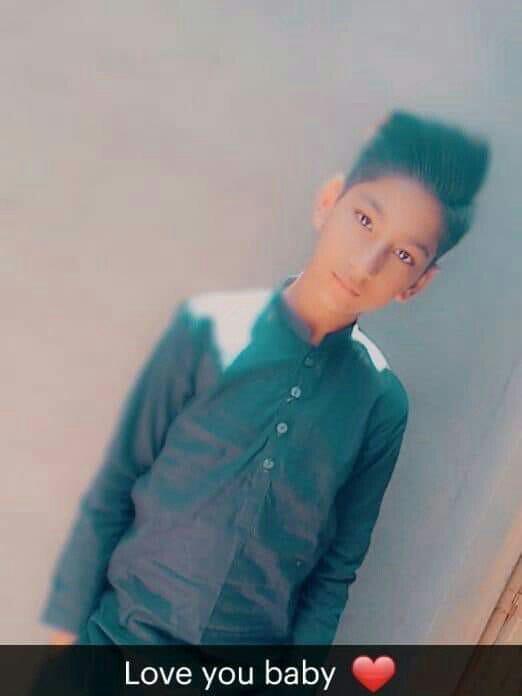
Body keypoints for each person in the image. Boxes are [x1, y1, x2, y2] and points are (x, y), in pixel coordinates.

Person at [41, 110, 490, 647]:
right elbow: (115, 484)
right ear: (329, 202)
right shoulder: (205, 330)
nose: (367, 262)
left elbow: (334, 573)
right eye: (365, 219)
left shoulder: (380, 404)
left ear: (416, 283)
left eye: (402, 253)